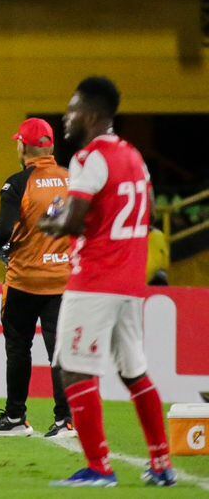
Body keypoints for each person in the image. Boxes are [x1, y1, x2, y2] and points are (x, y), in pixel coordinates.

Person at [38, 77, 177, 487]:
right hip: (131, 281)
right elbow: (147, 210)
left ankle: (99, 467)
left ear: (93, 115)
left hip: (96, 278)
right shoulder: (134, 155)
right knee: (135, 370)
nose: (67, 117)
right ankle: (161, 464)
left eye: (73, 109)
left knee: (75, 369)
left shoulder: (89, 157)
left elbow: (76, 219)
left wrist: (53, 222)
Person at [0, 118, 73, 439]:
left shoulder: (18, 183)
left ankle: (16, 417)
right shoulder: (72, 179)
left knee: (19, 348)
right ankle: (66, 420)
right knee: (59, 351)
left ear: (23, 146)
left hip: (25, 281)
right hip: (63, 280)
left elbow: (4, 230)